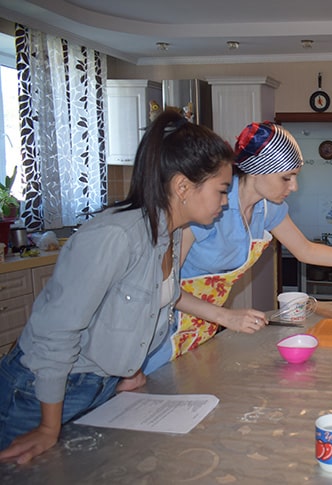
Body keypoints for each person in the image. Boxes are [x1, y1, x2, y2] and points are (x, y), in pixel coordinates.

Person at [0, 108, 234, 463]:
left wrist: (129, 368)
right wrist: (49, 427)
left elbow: (145, 305)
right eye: (222, 190)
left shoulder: (173, 233)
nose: (225, 202)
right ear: (183, 186)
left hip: (98, 388)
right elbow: (56, 334)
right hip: (38, 396)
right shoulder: (116, 235)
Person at [141, 121, 332, 374]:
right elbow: (164, 288)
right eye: (286, 177)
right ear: (258, 170)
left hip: (203, 328)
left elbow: (304, 250)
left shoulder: (267, 208)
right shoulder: (206, 206)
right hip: (163, 328)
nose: (294, 187)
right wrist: (226, 317)